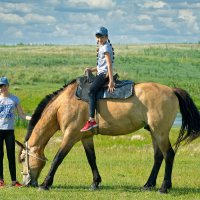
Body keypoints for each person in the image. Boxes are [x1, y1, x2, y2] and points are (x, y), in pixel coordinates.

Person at [80, 26, 115, 132]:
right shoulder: (102, 46)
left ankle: (91, 120)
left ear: (106, 37)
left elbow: (109, 65)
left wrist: (111, 80)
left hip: (104, 75)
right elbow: (101, 66)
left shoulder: (105, 48)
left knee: (91, 91)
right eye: (98, 37)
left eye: (101, 37)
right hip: (101, 72)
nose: (99, 39)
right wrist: (91, 69)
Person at [0, 76, 31, 187]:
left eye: (3, 86)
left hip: (9, 131)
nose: (2, 88)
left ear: (8, 86)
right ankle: (1, 180)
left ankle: (14, 181)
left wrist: (32, 118)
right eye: (0, 86)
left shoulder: (14, 99)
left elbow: (22, 115)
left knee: (11, 155)